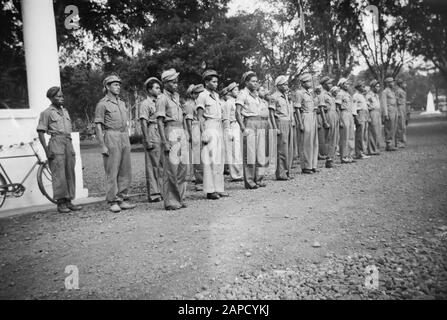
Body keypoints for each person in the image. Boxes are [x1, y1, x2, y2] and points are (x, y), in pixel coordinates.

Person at [37, 86, 82, 213]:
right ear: (51, 98)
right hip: (56, 143)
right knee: (59, 174)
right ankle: (61, 203)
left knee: (70, 172)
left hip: (68, 142)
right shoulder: (46, 113)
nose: (61, 98)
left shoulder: (65, 111)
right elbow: (41, 133)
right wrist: (47, 151)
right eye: (58, 96)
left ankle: (69, 201)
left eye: (62, 96)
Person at [94, 75, 136, 213]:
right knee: (112, 170)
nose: (118, 87)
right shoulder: (102, 104)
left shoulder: (122, 103)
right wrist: (102, 145)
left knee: (125, 169)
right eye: (115, 84)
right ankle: (112, 200)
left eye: (119, 84)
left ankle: (122, 198)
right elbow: (98, 126)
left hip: (124, 136)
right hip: (111, 136)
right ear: (107, 87)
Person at [156, 68, 189, 210]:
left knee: (183, 168)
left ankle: (179, 197)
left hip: (180, 130)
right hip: (170, 131)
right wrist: (164, 142)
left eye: (176, 82)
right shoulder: (162, 98)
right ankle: (170, 201)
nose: (176, 84)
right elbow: (159, 122)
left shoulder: (176, 97)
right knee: (171, 169)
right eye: (173, 82)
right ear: (165, 83)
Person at [196, 70, 229, 200]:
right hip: (209, 126)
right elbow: (199, 117)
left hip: (218, 126)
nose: (216, 84)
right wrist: (203, 133)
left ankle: (219, 188)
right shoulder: (202, 96)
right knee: (210, 160)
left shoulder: (216, 96)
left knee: (219, 159)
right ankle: (210, 190)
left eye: (217, 81)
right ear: (206, 82)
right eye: (213, 81)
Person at [235, 71, 268, 189]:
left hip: (260, 122)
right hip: (249, 122)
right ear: (246, 82)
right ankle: (249, 181)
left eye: (256, 81)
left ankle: (258, 179)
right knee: (249, 153)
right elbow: (237, 113)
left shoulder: (256, 94)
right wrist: (243, 128)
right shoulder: (243, 94)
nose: (255, 83)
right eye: (252, 81)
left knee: (260, 152)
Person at [139, 77, 163, 203]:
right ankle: (154, 193)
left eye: (159, 88)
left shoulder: (160, 102)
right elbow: (143, 123)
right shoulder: (145, 104)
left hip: (161, 131)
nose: (159, 90)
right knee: (153, 165)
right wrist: (147, 140)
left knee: (162, 164)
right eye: (156, 87)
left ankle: (162, 190)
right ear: (149, 90)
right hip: (152, 130)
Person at [269, 75, 294, 180]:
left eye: (287, 84)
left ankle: (287, 171)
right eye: (284, 84)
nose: (286, 86)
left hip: (288, 122)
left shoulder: (286, 96)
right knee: (281, 150)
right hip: (280, 123)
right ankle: (281, 173)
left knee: (289, 149)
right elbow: (271, 114)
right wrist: (275, 128)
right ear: (278, 85)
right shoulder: (274, 97)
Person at [294, 73, 319, 174]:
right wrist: (300, 123)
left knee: (314, 142)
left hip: (312, 116)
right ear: (302, 83)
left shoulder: (310, 93)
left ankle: (313, 165)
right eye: (307, 81)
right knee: (306, 143)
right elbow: (297, 109)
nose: (310, 83)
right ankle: (306, 166)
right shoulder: (300, 93)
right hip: (305, 116)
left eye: (310, 81)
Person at [184, 84, 205, 191]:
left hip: (201, 127)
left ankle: (203, 179)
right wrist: (191, 135)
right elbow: (188, 121)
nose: (198, 95)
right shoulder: (189, 104)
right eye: (196, 93)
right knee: (197, 156)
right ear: (191, 94)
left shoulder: (198, 103)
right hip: (195, 128)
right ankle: (199, 181)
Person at [222, 82, 243, 181]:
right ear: (230, 92)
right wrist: (228, 130)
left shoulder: (236, 102)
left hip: (238, 125)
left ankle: (239, 172)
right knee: (233, 151)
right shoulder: (228, 103)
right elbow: (225, 118)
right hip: (232, 125)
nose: (237, 91)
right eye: (235, 90)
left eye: (237, 90)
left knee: (238, 151)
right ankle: (235, 174)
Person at [320, 77, 340, 168]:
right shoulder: (322, 95)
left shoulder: (330, 95)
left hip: (334, 115)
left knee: (335, 138)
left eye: (331, 84)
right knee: (329, 138)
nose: (331, 85)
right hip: (328, 116)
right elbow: (321, 109)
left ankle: (332, 158)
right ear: (324, 85)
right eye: (329, 84)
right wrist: (324, 121)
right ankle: (328, 159)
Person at [336, 78, 356, 164]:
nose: (347, 85)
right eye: (345, 84)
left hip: (349, 113)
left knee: (351, 135)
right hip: (343, 114)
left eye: (348, 84)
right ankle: (344, 156)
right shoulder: (340, 94)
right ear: (341, 85)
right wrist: (340, 120)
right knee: (345, 136)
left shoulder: (348, 94)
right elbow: (337, 108)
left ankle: (350, 155)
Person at [352, 82, 371, 160]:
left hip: (364, 114)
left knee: (364, 135)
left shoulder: (362, 96)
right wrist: (356, 118)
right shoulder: (355, 96)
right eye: (362, 86)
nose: (364, 88)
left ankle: (362, 151)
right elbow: (354, 107)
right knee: (360, 135)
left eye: (364, 86)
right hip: (359, 114)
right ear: (358, 87)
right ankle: (359, 153)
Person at [382, 77, 398, 151]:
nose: (393, 83)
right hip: (389, 110)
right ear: (388, 83)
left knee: (393, 127)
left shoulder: (392, 91)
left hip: (394, 109)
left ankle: (392, 143)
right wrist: (386, 114)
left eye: (393, 82)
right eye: (391, 82)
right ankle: (388, 144)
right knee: (389, 127)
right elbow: (384, 103)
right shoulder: (385, 92)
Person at [365, 80, 381, 155]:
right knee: (372, 131)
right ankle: (371, 150)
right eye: (377, 86)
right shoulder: (369, 95)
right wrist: (368, 117)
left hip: (377, 113)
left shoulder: (376, 95)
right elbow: (367, 106)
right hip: (372, 113)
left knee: (377, 131)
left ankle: (376, 148)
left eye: (378, 86)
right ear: (372, 87)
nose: (378, 88)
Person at [395, 79, 407, 148]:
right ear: (400, 84)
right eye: (404, 83)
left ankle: (403, 141)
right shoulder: (398, 91)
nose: (405, 85)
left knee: (403, 126)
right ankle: (399, 142)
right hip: (399, 109)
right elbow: (396, 100)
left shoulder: (402, 91)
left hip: (403, 109)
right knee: (400, 126)